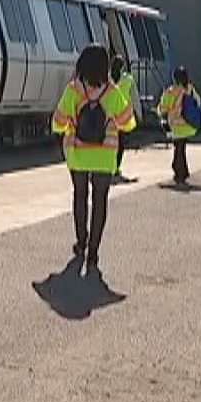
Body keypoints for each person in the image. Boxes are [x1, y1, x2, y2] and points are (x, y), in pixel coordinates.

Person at [51, 44, 135, 269]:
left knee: (80, 196)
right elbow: (128, 122)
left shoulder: (73, 90)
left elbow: (58, 122)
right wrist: (112, 122)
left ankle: (81, 241)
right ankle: (94, 251)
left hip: (77, 153)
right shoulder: (112, 92)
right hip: (104, 155)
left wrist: (69, 125)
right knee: (100, 201)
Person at [158, 66, 201, 185]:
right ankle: (182, 170)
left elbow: (163, 109)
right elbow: (198, 102)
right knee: (181, 148)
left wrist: (163, 116)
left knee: (179, 149)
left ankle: (180, 172)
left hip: (176, 127)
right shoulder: (190, 89)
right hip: (189, 125)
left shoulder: (170, 91)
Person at [110, 55, 142, 181]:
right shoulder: (128, 79)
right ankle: (116, 167)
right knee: (120, 143)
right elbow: (134, 97)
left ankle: (109, 166)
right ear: (123, 67)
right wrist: (138, 113)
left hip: (109, 114)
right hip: (123, 115)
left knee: (109, 142)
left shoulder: (107, 79)